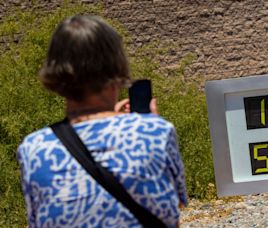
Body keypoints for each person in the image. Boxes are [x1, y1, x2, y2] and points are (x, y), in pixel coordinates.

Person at [17, 15, 187, 227]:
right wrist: (146, 126)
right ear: (117, 66)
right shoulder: (154, 132)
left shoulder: (33, 149)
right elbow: (174, 208)